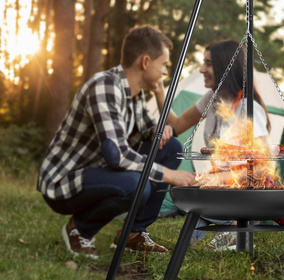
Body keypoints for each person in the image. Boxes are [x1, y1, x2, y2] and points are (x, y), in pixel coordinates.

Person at [37, 25, 196, 259]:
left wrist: (154, 132)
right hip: (65, 180)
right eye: (163, 64)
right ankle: (79, 229)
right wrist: (170, 175)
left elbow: (143, 130)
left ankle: (134, 232)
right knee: (136, 185)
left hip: (100, 171)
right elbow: (116, 154)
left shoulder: (134, 92)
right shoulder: (104, 86)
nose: (164, 72)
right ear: (145, 61)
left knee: (170, 147)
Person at [154, 39, 271, 250]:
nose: (201, 69)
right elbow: (178, 125)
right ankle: (224, 225)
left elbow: (260, 168)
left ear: (224, 67)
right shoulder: (213, 98)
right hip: (217, 188)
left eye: (208, 63)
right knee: (184, 245)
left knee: (215, 247)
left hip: (243, 193)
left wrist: (212, 179)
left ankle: (238, 223)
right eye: (203, 63)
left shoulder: (248, 109)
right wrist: (158, 91)